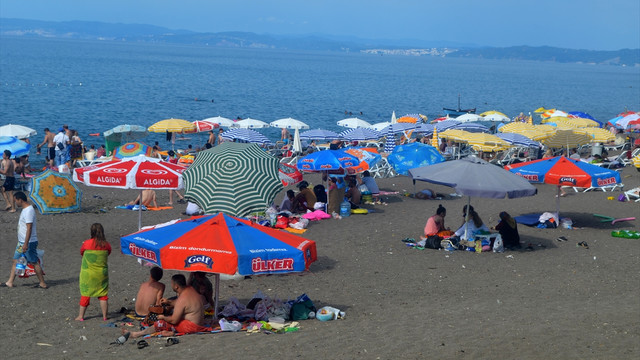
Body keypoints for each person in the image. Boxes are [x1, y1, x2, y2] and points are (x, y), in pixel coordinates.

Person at [123, 274, 210, 338]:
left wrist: (163, 317)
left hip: (191, 326)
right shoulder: (190, 289)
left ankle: (137, 334)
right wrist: (169, 302)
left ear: (176, 287)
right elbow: (184, 305)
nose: (171, 285)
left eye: (172, 284)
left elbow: (174, 320)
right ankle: (168, 331)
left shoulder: (182, 299)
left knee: (161, 323)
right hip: (198, 322)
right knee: (167, 314)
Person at [5, 191, 47, 288]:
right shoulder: (25, 209)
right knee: (15, 260)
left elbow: (29, 228)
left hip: (28, 242)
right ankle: (10, 282)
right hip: (21, 242)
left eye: (16, 200)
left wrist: (26, 244)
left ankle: (42, 283)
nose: (15, 203)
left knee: (34, 262)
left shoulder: (28, 211)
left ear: (20, 200)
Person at [76, 223, 111, 321]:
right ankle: (104, 316)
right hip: (101, 274)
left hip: (88, 273)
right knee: (103, 294)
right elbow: (108, 252)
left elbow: (82, 252)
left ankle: (81, 316)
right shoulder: (106, 244)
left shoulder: (86, 243)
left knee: (86, 293)